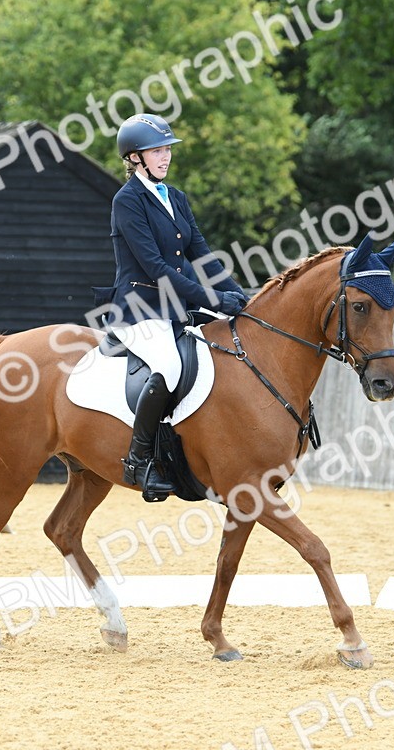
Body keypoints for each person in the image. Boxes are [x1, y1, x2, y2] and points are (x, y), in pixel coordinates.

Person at [97, 113, 248, 503]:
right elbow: (157, 268)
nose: (165, 157)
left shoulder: (175, 197)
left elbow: (202, 254)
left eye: (166, 150)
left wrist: (242, 295)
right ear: (134, 157)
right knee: (168, 366)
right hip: (139, 310)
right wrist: (213, 300)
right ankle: (139, 458)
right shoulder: (126, 201)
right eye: (157, 151)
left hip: (177, 308)